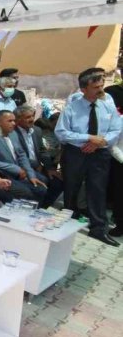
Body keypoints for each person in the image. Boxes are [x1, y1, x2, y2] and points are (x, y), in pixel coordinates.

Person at [55, 69, 122, 246]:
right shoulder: (72, 108)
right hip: (75, 153)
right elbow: (61, 133)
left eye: (101, 86)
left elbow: (116, 129)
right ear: (84, 89)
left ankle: (98, 229)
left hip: (100, 154)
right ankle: (67, 222)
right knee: (72, 188)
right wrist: (88, 138)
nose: (101, 90)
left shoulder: (107, 106)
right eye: (96, 87)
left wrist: (99, 142)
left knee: (97, 190)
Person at [0, 110, 62, 207]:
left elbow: (21, 155)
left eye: (14, 121)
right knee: (29, 192)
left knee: (43, 184)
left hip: (21, 171)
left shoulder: (13, 134)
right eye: (9, 121)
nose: (13, 123)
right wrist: (17, 169)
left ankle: (39, 210)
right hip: (4, 174)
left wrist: (31, 175)